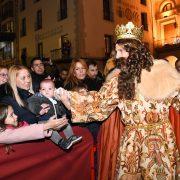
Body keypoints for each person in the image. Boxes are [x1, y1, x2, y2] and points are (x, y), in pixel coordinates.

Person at [59, 22, 180, 179]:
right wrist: (69, 98)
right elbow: (100, 103)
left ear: (134, 51)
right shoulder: (120, 80)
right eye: (117, 52)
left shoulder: (164, 74)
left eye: (121, 51)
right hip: (134, 143)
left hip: (162, 141)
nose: (117, 56)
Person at [27, 79, 82, 150]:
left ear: (54, 90)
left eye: (50, 89)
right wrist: (39, 110)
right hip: (44, 121)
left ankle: (71, 137)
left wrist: (63, 115)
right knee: (50, 130)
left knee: (66, 123)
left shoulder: (56, 99)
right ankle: (61, 142)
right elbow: (31, 102)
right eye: (43, 89)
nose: (46, 91)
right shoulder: (39, 97)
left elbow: (61, 108)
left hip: (56, 120)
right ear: (40, 91)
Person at [0, 103, 68, 144]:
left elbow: (30, 129)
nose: (16, 116)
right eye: (11, 115)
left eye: (14, 113)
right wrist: (47, 125)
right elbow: (20, 133)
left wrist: (48, 125)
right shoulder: (2, 135)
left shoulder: (20, 124)